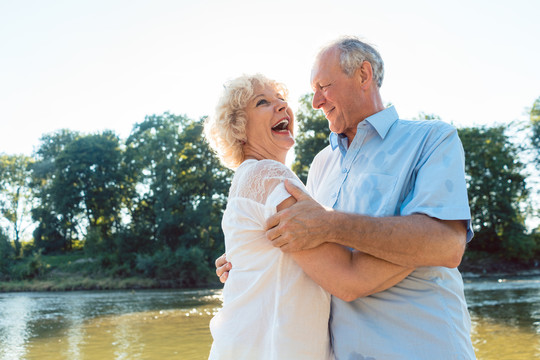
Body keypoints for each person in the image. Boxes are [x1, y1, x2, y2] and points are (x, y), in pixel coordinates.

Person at [216, 37, 476, 359]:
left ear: (364, 75)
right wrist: (252, 258)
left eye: (324, 86)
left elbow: (447, 246)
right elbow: (317, 260)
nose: (315, 102)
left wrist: (331, 225)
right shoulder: (320, 166)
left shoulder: (432, 140)